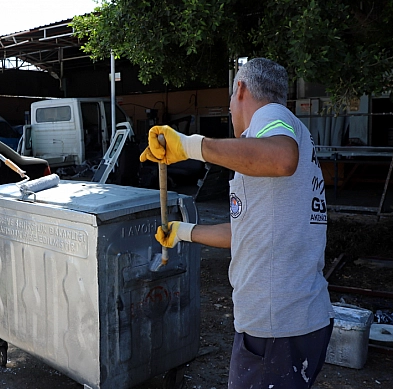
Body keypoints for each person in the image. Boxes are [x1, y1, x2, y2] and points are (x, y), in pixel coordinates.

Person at [140, 58, 334, 388]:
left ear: (240, 89)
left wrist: (189, 145)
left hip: (276, 327)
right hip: (291, 323)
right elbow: (243, 230)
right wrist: (183, 232)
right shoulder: (271, 137)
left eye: (229, 99)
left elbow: (282, 158)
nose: (230, 109)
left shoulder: (271, 117)